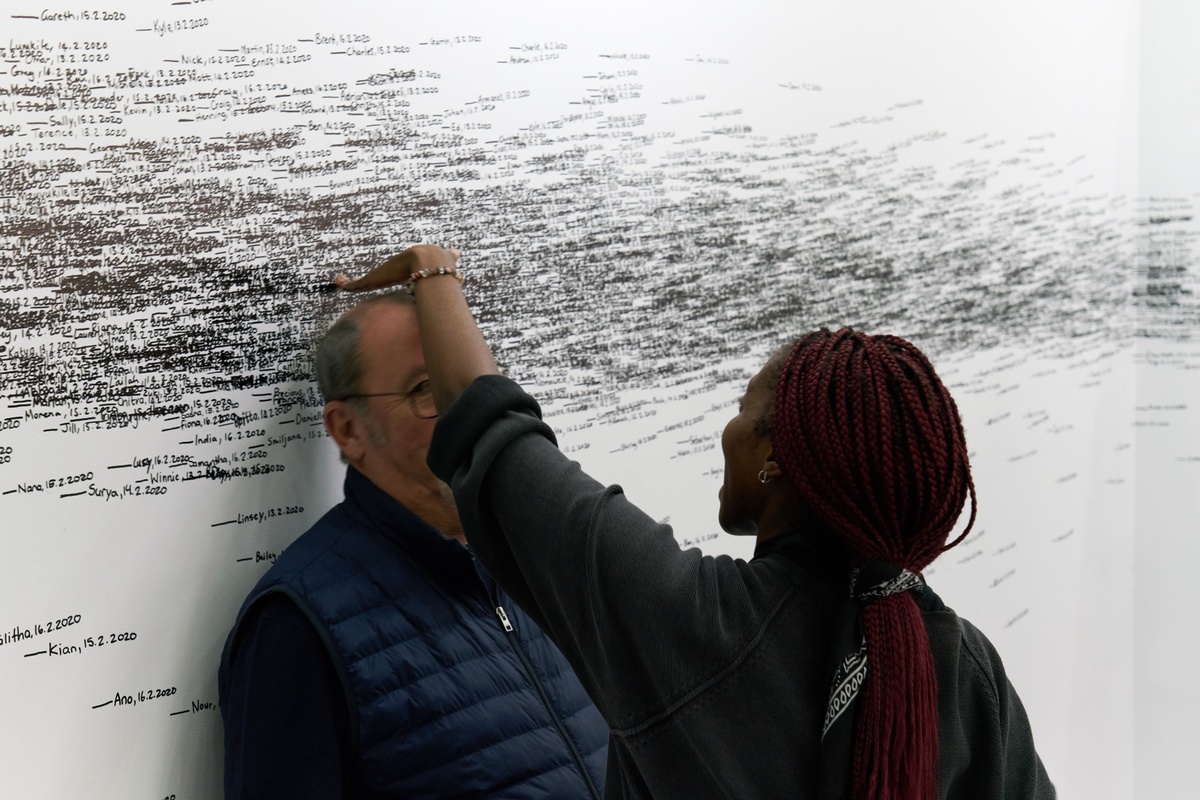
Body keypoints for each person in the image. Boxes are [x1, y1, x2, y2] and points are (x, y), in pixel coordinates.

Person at [335, 244, 1057, 800]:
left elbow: (496, 441)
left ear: (776, 456)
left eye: (744, 410)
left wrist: (435, 273)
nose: (729, 429)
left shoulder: (700, 629)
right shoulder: (965, 667)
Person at [217, 290, 609, 799]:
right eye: (426, 390)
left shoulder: (538, 560)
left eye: (469, 387)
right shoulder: (297, 623)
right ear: (349, 429)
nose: (465, 416)